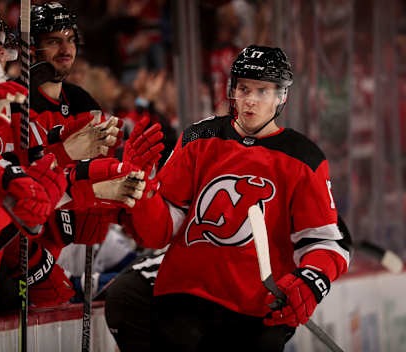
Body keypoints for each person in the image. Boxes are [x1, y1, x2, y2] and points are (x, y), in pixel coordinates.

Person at [125, 45, 351, 351]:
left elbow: (324, 241)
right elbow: (160, 230)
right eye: (243, 89)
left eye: (262, 91)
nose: (250, 100)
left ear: (282, 96)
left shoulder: (303, 157)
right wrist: (139, 189)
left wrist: (311, 281)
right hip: (185, 299)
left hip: (258, 310)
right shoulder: (198, 138)